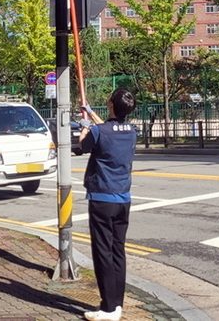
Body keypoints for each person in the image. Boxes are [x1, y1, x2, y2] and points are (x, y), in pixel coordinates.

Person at [79, 89, 137, 321]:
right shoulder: (131, 131)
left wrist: (84, 125)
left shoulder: (99, 132)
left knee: (102, 252)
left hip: (102, 198)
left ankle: (108, 308)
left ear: (111, 104)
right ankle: (117, 304)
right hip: (123, 198)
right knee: (117, 251)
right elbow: (108, 131)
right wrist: (91, 114)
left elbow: (83, 145)